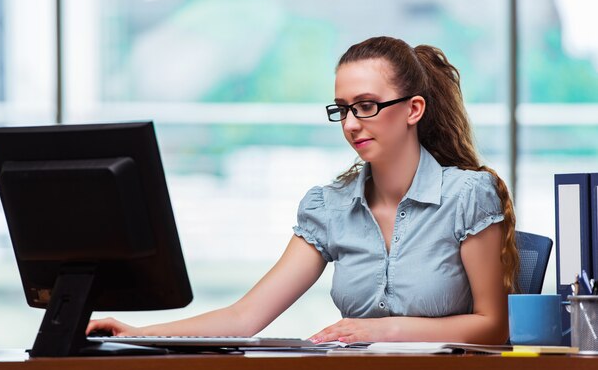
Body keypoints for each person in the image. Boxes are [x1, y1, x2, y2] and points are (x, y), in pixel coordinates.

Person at [87, 36, 519, 345]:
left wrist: (380, 328)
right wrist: (137, 334)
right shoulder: (330, 206)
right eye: (342, 110)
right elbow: (244, 317)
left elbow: (492, 325)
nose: (351, 124)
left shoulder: (467, 195)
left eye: (366, 106)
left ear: (413, 109)